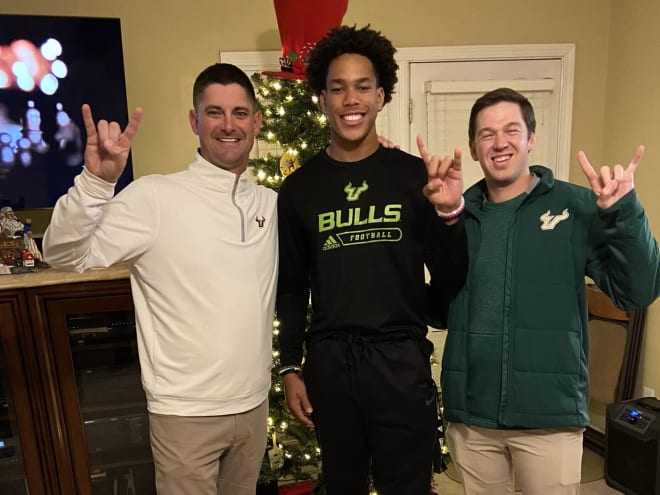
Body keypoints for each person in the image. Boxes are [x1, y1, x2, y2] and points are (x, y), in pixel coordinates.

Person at [42, 63, 278, 495]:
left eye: (240, 113)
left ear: (257, 121)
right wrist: (96, 183)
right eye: (214, 113)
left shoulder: (273, 204)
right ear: (194, 120)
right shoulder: (153, 198)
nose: (228, 125)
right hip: (185, 414)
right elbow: (62, 256)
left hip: (253, 407)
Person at [426, 87, 660, 495]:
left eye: (511, 130)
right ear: (473, 148)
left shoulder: (577, 206)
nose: (500, 143)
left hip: (549, 415)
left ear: (531, 138)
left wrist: (625, 212)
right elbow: (440, 309)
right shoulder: (456, 213)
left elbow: (637, 292)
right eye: (486, 134)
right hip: (472, 415)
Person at [276, 25, 468, 495]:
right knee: (342, 486)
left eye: (363, 86)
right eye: (337, 88)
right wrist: (289, 367)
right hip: (330, 366)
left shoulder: (412, 177)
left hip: (399, 364)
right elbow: (292, 286)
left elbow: (451, 275)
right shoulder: (299, 189)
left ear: (381, 96)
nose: (350, 99)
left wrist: (448, 214)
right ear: (321, 99)